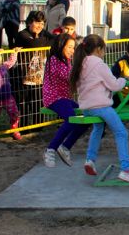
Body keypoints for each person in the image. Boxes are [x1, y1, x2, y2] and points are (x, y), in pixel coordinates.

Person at [69, 34, 129, 184]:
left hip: (87, 107)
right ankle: (126, 170)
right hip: (101, 106)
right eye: (103, 50)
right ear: (98, 49)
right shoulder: (99, 64)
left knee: (98, 128)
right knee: (121, 132)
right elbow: (114, 85)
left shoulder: (81, 62)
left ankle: (90, 160)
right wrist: (123, 80)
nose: (104, 53)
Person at [42, 33, 88, 167]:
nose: (72, 51)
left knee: (86, 116)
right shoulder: (54, 60)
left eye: (73, 48)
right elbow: (67, 76)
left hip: (65, 98)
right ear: (60, 46)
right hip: (54, 98)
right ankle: (50, 150)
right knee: (71, 118)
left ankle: (66, 147)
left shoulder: (67, 61)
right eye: (69, 47)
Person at [14, 10, 55, 128]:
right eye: (37, 22)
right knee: (24, 103)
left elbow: (54, 39)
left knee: (38, 101)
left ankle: (38, 126)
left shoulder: (44, 34)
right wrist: (46, 41)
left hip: (39, 75)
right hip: (23, 75)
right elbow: (34, 44)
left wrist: (46, 40)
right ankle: (24, 127)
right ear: (29, 22)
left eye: (42, 23)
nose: (40, 26)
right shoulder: (22, 34)